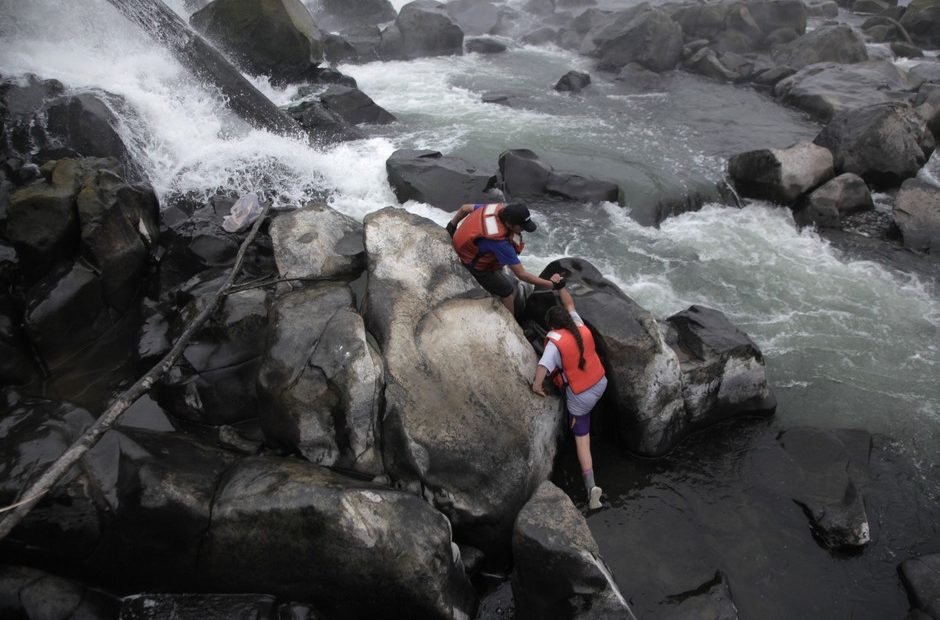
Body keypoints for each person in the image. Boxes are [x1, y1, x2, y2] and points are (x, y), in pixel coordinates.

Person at [532, 280, 608, 510]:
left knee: (581, 440)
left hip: (581, 395)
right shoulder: (577, 325)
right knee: (588, 407)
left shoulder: (555, 343)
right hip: (600, 383)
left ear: (552, 326)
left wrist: (536, 386)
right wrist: (561, 286)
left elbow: (543, 367)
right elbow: (570, 303)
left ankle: (591, 488)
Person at [446, 201, 562, 312]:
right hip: (470, 262)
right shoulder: (501, 243)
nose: (523, 230)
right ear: (509, 224)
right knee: (507, 292)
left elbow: (465, 207)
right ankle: (512, 327)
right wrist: (551, 284)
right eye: (521, 227)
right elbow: (522, 275)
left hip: (460, 242)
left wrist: (452, 225)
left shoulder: (494, 209)